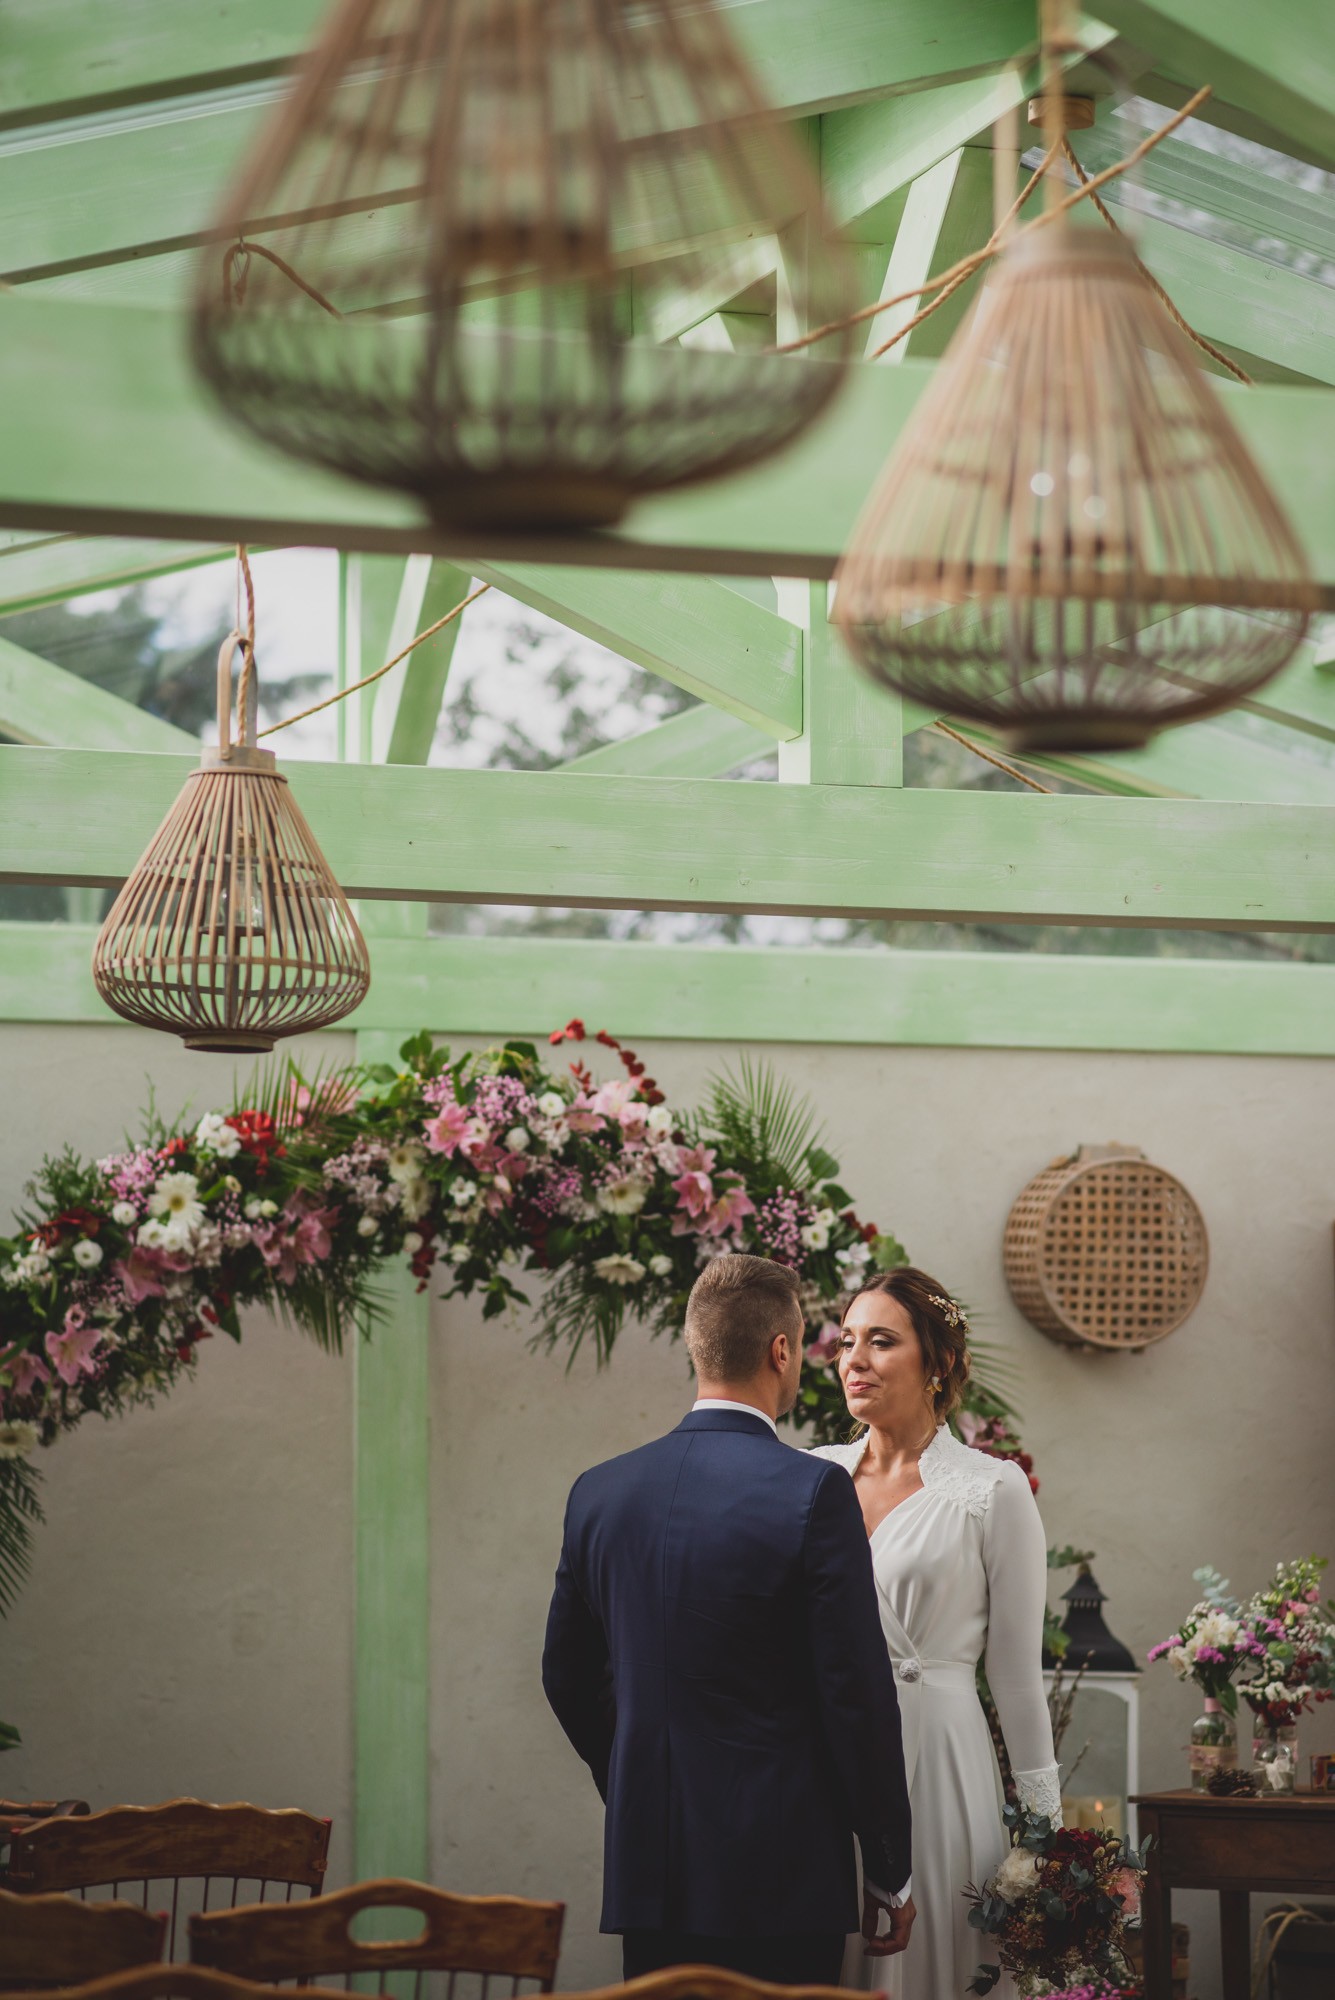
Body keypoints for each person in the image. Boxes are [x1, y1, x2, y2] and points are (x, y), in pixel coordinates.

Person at [542, 1252, 914, 1986]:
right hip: (784, 1868)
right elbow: (854, 1692)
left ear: (695, 1346)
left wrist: (636, 1779)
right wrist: (888, 1866)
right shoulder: (813, 1492)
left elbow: (565, 1674)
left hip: (650, 1859)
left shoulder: (598, 1493)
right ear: (781, 1351)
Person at [810, 1268, 1060, 1999]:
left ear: (939, 1363)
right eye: (848, 1340)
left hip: (941, 1756)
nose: (853, 1358)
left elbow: (1015, 1679)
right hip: (825, 1761)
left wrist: (1042, 1837)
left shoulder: (992, 1489)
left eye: (881, 1341)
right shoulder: (806, 1476)